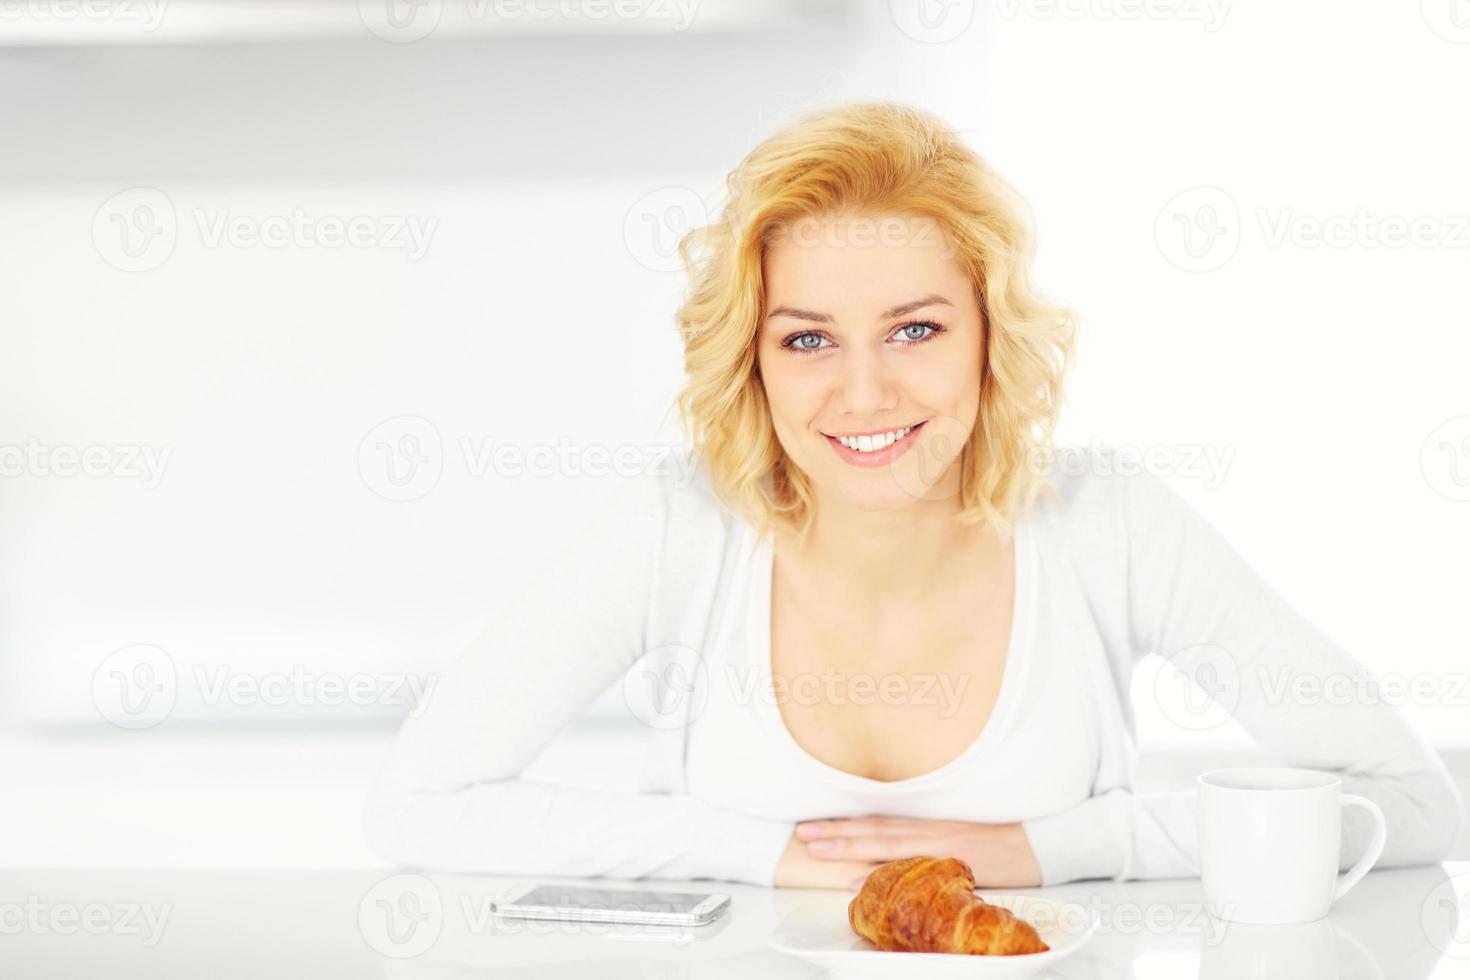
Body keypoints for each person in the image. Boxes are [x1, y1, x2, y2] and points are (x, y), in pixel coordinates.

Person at [362, 102, 1462, 890]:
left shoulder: (1106, 520)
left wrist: (1050, 847)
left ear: (993, 336)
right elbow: (418, 805)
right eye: (806, 338)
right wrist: (764, 854)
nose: (864, 390)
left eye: (916, 328)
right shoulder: (682, 525)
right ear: (751, 358)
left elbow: (1415, 808)